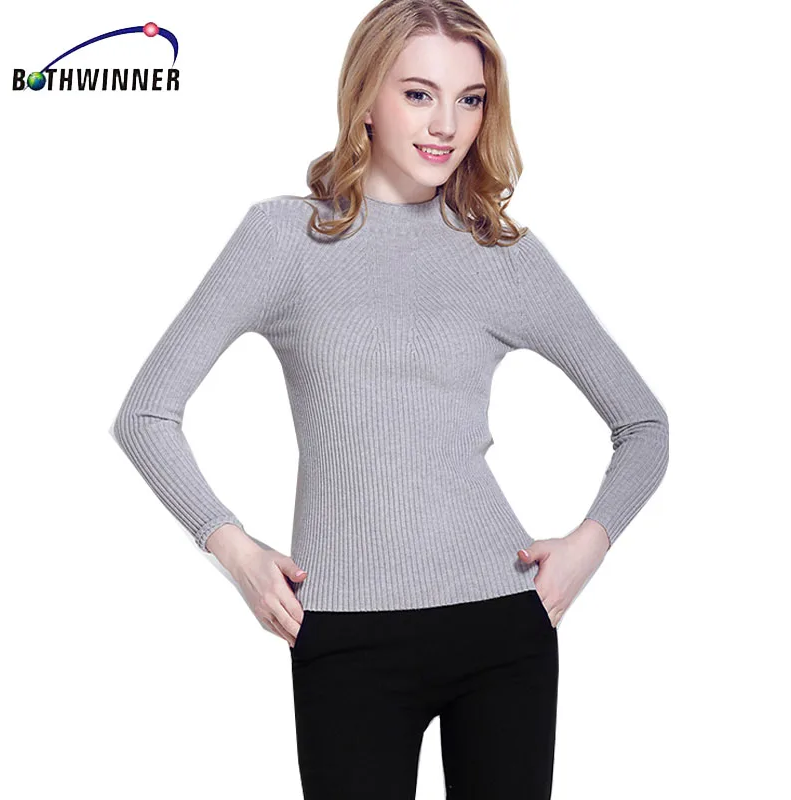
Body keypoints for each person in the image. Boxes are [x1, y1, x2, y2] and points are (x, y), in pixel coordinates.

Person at [110, 0, 669, 797]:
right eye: (418, 94)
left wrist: (588, 545)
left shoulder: (500, 254)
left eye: (469, 99)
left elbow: (644, 425)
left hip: (501, 625)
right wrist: (234, 550)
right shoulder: (284, 239)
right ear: (365, 98)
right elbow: (146, 414)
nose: (446, 124)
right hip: (345, 638)